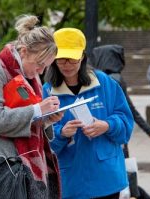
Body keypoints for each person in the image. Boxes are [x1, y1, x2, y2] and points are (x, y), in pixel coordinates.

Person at [0, 15, 63, 198]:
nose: (41, 71)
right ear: (24, 51)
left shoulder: (31, 77)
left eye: (46, 67)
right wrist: (37, 110)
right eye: (39, 64)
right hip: (5, 171)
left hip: (29, 171)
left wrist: (47, 119)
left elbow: (30, 122)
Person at [43, 28, 134, 199]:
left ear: (83, 56)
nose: (67, 64)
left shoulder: (105, 83)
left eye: (72, 59)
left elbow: (126, 125)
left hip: (106, 177)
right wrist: (61, 133)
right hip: (70, 180)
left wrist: (107, 125)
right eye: (61, 59)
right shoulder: (48, 91)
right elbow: (43, 139)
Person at [91, 44, 150, 199]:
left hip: (100, 136)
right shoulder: (115, 79)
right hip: (115, 136)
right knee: (123, 179)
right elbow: (130, 109)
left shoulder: (96, 79)